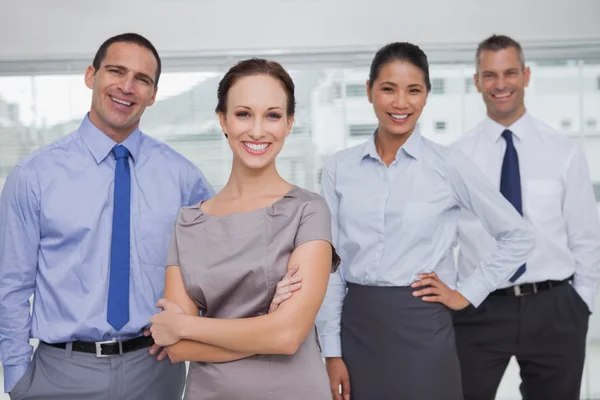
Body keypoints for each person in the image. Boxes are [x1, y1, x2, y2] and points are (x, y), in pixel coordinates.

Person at [0, 34, 298, 400]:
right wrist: (16, 376)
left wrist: (271, 292)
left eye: (142, 79)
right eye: (116, 71)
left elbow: (222, 262)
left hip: (155, 370)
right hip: (60, 372)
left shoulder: (183, 179)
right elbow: (10, 285)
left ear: (153, 94)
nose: (127, 87)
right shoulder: (34, 175)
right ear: (91, 75)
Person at [314, 41, 536, 400]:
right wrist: (331, 351)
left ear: (427, 95)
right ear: (369, 90)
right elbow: (331, 268)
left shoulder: (448, 164)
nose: (400, 103)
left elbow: (519, 236)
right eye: (388, 89)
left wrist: (466, 293)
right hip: (357, 329)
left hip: (423, 329)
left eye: (413, 90)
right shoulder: (339, 168)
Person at [147, 58, 340, 400]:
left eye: (273, 115)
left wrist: (186, 325)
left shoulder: (308, 211)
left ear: (289, 123)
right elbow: (176, 348)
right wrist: (268, 323)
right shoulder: (189, 222)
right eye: (243, 114)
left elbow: (287, 337)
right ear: (222, 119)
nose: (257, 130)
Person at [452, 34, 600, 400]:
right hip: (480, 305)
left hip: (554, 308)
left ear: (527, 75)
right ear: (476, 82)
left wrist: (581, 303)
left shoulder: (564, 152)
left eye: (510, 72)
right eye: (489, 75)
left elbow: (586, 236)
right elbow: (444, 238)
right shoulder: (455, 158)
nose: (500, 84)